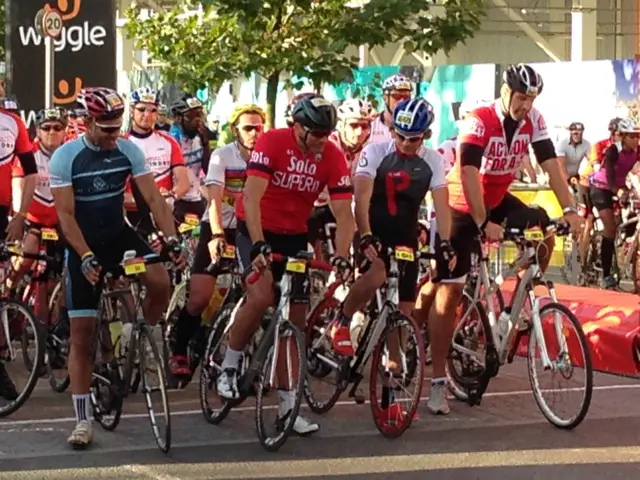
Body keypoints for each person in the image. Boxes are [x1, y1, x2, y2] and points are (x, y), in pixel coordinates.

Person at [415, 63, 583, 416]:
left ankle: (515, 303)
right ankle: (438, 382)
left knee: (543, 227)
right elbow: (469, 171)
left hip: (497, 198)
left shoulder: (533, 120)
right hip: (463, 205)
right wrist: (483, 220)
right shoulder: (480, 119)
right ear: (506, 92)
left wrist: (569, 210)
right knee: (451, 290)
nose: (526, 105)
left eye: (531, 99)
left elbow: (551, 165)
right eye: (521, 97)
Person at [48, 87, 184, 449]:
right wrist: (86, 255)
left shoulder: (127, 150)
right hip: (84, 242)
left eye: (117, 128)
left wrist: (172, 240)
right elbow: (65, 215)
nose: (114, 136)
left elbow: (153, 198)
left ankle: (136, 334)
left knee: (160, 281)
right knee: (82, 333)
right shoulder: (66, 158)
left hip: (119, 236)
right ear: (87, 123)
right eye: (106, 130)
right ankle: (81, 421)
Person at [217, 94, 354, 435]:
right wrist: (259, 243)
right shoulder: (272, 142)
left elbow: (343, 212)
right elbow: (251, 196)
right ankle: (229, 366)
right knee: (261, 297)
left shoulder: (332, 155)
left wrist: (342, 253)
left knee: (295, 323)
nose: (323, 141)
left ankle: (288, 406)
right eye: (316, 134)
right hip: (257, 228)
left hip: (294, 236)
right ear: (298, 127)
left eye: (327, 133)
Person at [329, 99, 453, 362]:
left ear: (426, 135)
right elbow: (361, 199)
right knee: (376, 275)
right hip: (372, 227)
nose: (406, 144)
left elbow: (441, 206)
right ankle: (342, 319)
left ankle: (391, 377)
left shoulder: (433, 160)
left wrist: (445, 242)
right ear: (393, 129)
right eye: (400, 136)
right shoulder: (375, 152)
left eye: (414, 139)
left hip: (405, 235)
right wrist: (365, 235)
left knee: (405, 311)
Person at [169, 104, 266, 377]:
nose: (254, 133)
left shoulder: (266, 157)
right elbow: (213, 198)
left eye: (259, 128)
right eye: (248, 128)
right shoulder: (222, 156)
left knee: (255, 295)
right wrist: (217, 235)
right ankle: (179, 348)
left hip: (249, 230)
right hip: (218, 226)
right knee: (199, 297)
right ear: (235, 130)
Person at [9, 108, 68, 325]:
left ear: (65, 131)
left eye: (58, 127)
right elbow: (18, 186)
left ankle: (54, 323)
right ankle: (10, 289)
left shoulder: (70, 155)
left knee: (61, 274)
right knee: (28, 253)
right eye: (46, 127)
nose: (52, 132)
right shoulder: (29, 153)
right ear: (38, 131)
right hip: (31, 220)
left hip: (59, 222)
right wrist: (20, 216)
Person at [307, 98, 373, 258]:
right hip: (316, 203)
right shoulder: (328, 145)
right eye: (353, 125)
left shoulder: (368, 150)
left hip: (343, 205)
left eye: (364, 126)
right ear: (341, 125)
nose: (359, 132)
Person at [123, 88, 189, 238]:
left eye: (153, 110)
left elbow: (183, 183)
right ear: (132, 111)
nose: (147, 115)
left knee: (172, 258)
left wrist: (172, 196)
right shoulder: (121, 144)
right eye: (141, 109)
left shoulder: (168, 142)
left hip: (164, 213)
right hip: (133, 216)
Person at [588, 118, 640, 289]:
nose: (636, 140)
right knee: (610, 228)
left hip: (619, 186)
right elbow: (610, 178)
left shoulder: (637, 149)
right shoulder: (612, 151)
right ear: (623, 137)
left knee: (623, 222)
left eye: (638, 136)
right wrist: (618, 191)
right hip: (601, 188)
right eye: (632, 136)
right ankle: (606, 274)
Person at [577, 118, 622, 262]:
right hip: (588, 183)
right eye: (620, 134)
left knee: (615, 220)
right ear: (612, 133)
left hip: (609, 186)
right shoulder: (600, 145)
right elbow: (597, 171)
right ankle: (582, 260)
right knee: (589, 220)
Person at [169, 94, 211, 222]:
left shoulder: (198, 137)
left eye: (199, 115)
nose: (197, 120)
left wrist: (206, 144)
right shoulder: (172, 140)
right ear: (178, 118)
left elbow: (207, 169)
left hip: (197, 198)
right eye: (191, 116)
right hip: (177, 201)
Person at [367, 74, 413, 145]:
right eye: (396, 96)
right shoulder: (371, 126)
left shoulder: (414, 126)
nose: (401, 101)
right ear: (385, 98)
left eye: (406, 97)